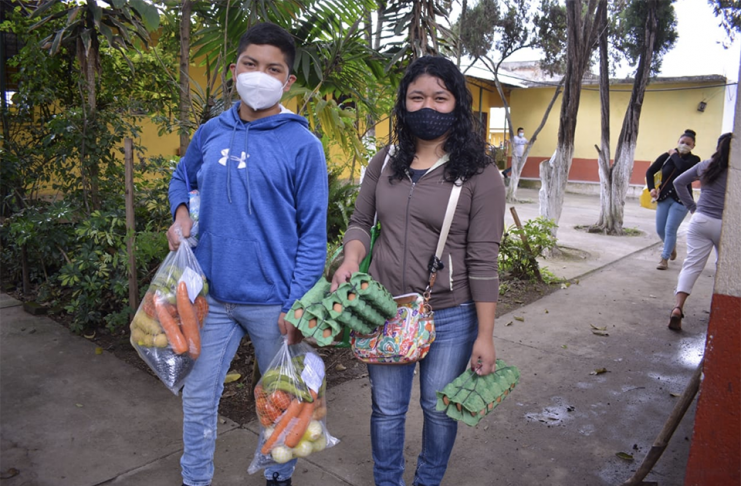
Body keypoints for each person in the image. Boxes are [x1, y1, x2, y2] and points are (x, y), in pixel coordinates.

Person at [330, 55, 506, 486]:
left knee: (437, 408)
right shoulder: (385, 161)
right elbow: (361, 223)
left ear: (457, 104)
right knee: (387, 409)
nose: (428, 106)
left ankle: (427, 481)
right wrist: (351, 259)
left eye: (440, 98)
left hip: (451, 314)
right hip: (383, 309)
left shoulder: (481, 174)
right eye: (417, 97)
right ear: (403, 103)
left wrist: (485, 335)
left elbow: (484, 259)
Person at [166, 22, 328, 486]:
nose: (260, 75)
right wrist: (181, 213)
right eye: (250, 64)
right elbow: (182, 176)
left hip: (274, 304)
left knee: (284, 402)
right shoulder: (211, 132)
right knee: (198, 397)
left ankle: (279, 475)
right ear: (234, 70)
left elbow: (312, 235)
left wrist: (297, 305)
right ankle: (195, 478)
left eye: (273, 69)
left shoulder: (303, 146)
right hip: (212, 297)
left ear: (288, 81)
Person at [667, 132, 732, 331]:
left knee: (691, 265)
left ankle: (678, 308)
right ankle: (722, 310)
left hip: (700, 220)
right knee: (726, 268)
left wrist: (692, 207)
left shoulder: (705, 165)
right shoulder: (736, 171)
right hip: (726, 225)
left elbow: (678, 182)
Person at [645, 129, 701, 270]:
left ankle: (664, 258)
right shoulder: (667, 157)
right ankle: (670, 247)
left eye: (688, 144)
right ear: (677, 142)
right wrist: (651, 188)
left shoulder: (694, 160)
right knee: (660, 229)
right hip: (664, 197)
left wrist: (674, 154)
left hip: (682, 200)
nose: (684, 145)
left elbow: (681, 167)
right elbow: (650, 171)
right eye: (682, 142)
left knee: (670, 229)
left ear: (693, 146)